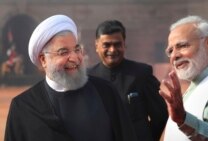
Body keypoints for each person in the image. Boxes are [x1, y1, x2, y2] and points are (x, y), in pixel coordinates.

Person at [4, 15, 138, 141]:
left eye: (77, 49)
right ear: (43, 60)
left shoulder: (106, 93)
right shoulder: (23, 107)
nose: (74, 57)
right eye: (63, 52)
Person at [88, 20, 168, 141]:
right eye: (106, 45)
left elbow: (160, 116)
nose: (112, 50)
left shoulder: (141, 74)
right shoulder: (88, 78)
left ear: (124, 44)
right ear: (96, 46)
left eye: (117, 44)